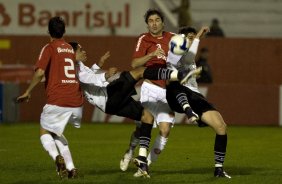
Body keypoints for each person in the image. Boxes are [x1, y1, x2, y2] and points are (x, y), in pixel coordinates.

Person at [69, 41, 196, 178]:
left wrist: (99, 64)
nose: (84, 51)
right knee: (140, 71)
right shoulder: (73, 69)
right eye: (80, 50)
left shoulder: (79, 65)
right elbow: (87, 78)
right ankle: (178, 75)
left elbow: (88, 74)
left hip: (110, 102)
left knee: (147, 118)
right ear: (72, 53)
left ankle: (137, 157)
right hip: (110, 96)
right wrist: (105, 75)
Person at [119, 9, 199, 178]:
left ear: (163, 22)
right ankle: (132, 150)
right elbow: (134, 63)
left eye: (157, 20)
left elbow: (186, 50)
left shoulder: (172, 37)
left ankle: (145, 164)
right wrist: (152, 54)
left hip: (167, 90)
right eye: (150, 21)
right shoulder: (144, 39)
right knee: (145, 122)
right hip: (150, 86)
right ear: (147, 23)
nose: (154, 23)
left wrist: (195, 40)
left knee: (164, 130)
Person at [16, 17, 83, 179]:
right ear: (64, 31)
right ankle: (71, 168)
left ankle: (56, 157)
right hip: (77, 103)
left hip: (59, 101)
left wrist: (28, 91)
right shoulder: (69, 48)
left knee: (44, 130)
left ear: (48, 31)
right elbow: (59, 74)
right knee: (56, 133)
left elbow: (39, 73)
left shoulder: (49, 48)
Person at [166, 26, 231, 178]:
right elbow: (184, 61)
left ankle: (218, 169)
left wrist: (197, 37)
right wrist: (198, 37)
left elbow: (190, 57)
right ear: (180, 40)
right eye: (189, 38)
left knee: (221, 127)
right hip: (175, 96)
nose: (191, 40)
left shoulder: (189, 56)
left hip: (195, 96)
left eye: (192, 38)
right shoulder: (174, 53)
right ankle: (188, 112)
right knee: (176, 85)